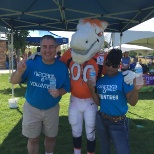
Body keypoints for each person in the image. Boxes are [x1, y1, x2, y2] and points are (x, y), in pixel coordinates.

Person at [29, 19, 135, 154]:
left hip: (91, 99)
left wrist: (127, 72)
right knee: (76, 129)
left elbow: (112, 70)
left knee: (91, 131)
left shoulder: (101, 57)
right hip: (75, 99)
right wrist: (39, 55)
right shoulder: (69, 53)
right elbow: (54, 63)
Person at [10, 35, 70, 154]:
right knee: (33, 139)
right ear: (40, 48)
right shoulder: (31, 63)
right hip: (32, 107)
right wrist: (20, 71)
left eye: (51, 47)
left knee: (51, 137)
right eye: (44, 47)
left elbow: (67, 87)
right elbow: (13, 81)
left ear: (56, 48)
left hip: (51, 108)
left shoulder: (62, 67)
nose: (47, 50)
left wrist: (59, 92)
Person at [87, 49, 144, 154]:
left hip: (118, 122)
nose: (110, 68)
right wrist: (92, 90)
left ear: (119, 65)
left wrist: (136, 90)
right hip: (102, 120)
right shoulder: (100, 81)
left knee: (122, 151)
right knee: (104, 150)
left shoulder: (124, 79)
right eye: (108, 64)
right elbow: (99, 103)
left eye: (114, 66)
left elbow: (132, 102)